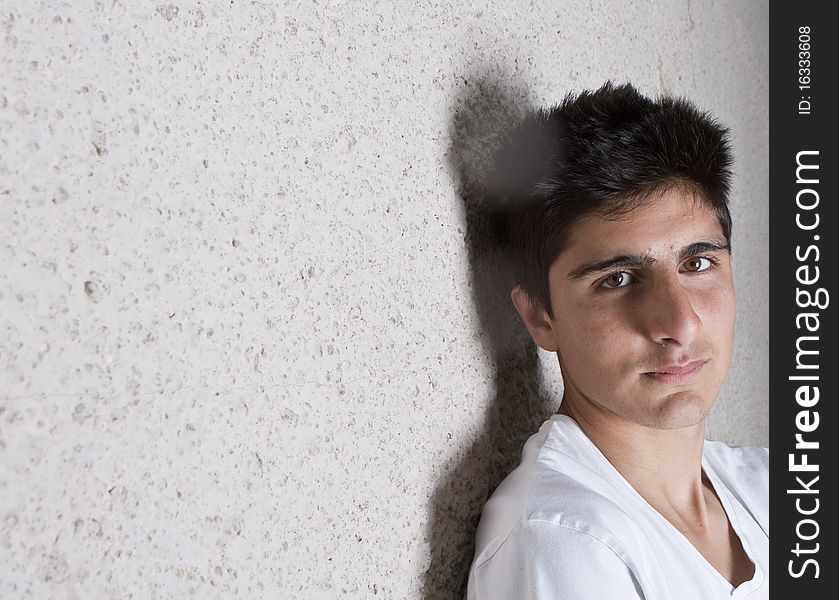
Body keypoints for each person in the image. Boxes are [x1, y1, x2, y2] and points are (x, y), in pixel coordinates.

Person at [466, 82, 768, 599]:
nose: (680, 323)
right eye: (618, 278)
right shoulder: (562, 542)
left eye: (697, 263)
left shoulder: (769, 487)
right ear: (541, 316)